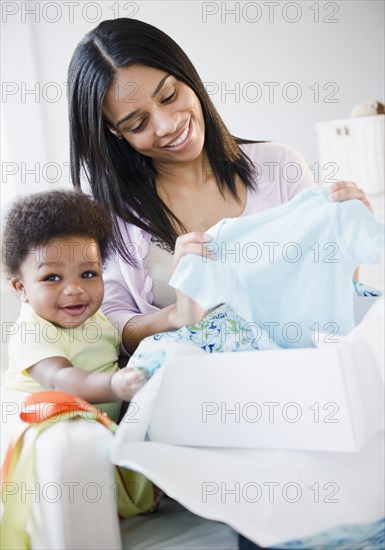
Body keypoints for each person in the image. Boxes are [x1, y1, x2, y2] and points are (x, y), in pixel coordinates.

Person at [68, 17, 373, 358]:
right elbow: (109, 326)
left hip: (296, 376)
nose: (168, 125)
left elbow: (331, 296)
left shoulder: (279, 167)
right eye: (138, 123)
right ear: (115, 132)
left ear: (186, 75)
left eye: (169, 95)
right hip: (192, 394)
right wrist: (178, 315)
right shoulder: (107, 209)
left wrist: (348, 239)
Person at [2, 190, 146, 422]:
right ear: (22, 288)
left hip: (98, 429)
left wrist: (140, 369)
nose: (74, 289)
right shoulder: (32, 330)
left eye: (88, 273)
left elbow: (107, 362)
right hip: (48, 431)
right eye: (52, 278)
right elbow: (62, 378)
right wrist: (115, 385)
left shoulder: (96, 319)